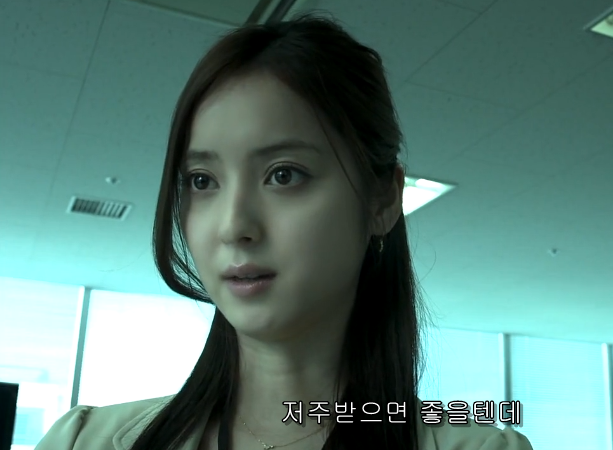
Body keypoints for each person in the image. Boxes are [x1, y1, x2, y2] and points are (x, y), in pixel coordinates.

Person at [34, 13, 533, 450]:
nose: (234, 226)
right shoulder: (83, 441)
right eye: (202, 181)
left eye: (284, 175)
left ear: (382, 199)